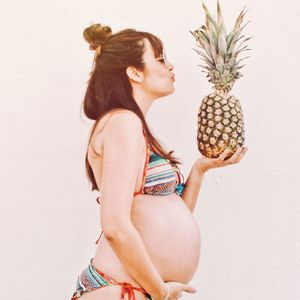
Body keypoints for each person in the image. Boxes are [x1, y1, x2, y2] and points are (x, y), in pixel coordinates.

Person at [71, 23, 248, 300]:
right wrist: (160, 291)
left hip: (139, 290)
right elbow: (115, 225)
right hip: (121, 290)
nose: (170, 67)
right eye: (161, 59)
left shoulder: (135, 127)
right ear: (134, 72)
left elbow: (163, 213)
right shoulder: (122, 122)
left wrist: (199, 171)